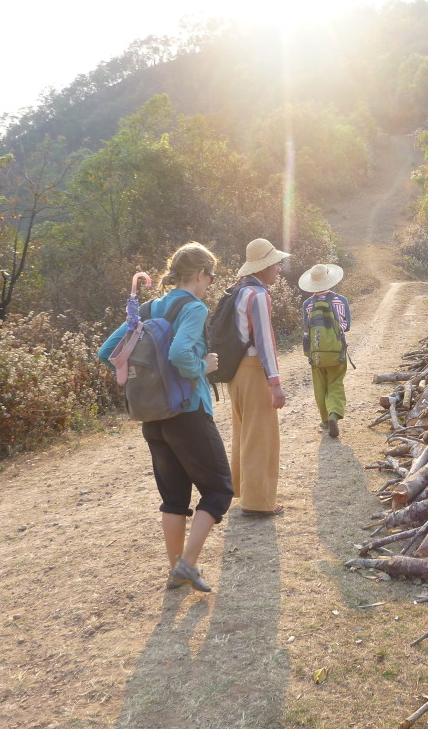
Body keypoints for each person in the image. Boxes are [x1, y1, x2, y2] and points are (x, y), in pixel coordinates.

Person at [98, 242, 232, 592]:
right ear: (201, 273)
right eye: (211, 276)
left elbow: (107, 352)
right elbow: (179, 353)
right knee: (219, 491)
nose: (210, 283)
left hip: (153, 416)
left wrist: (150, 376)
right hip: (187, 414)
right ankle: (187, 564)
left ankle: (176, 570)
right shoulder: (194, 307)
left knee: (174, 498)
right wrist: (202, 367)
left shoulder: (146, 307)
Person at [229, 238, 290, 515]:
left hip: (235, 372)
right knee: (261, 436)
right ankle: (258, 503)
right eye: (275, 262)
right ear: (263, 267)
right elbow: (265, 342)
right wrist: (275, 383)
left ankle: (245, 492)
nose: (279, 267)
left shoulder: (236, 290)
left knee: (244, 432)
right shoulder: (259, 296)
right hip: (254, 371)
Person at [298, 263, 351, 438]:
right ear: (330, 279)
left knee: (320, 386)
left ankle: (324, 419)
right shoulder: (340, 300)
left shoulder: (307, 304)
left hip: (316, 352)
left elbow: (307, 328)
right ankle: (334, 414)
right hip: (336, 351)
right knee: (336, 382)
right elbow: (346, 326)